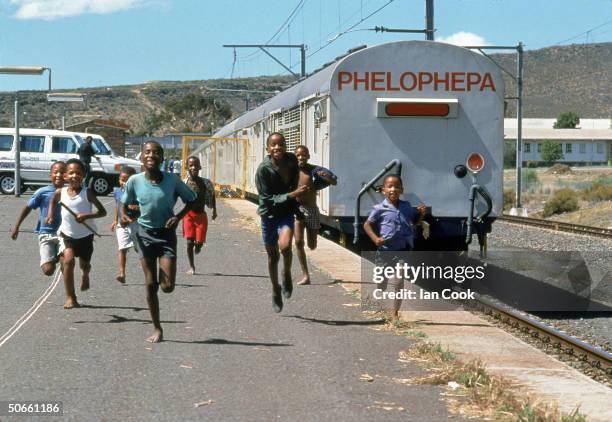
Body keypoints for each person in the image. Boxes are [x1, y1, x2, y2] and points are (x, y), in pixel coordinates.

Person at [121, 141, 197, 343]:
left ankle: (163, 284)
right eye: (147, 152)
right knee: (149, 283)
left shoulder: (172, 180)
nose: (151, 155)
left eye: (156, 153)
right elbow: (124, 204)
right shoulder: (134, 181)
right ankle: (157, 328)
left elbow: (192, 200)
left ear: (162, 159)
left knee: (167, 286)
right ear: (141, 158)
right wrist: (125, 217)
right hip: (144, 234)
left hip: (166, 235)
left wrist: (178, 217)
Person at [255, 132, 307, 313]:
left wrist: (296, 208)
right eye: (273, 145)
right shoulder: (263, 169)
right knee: (273, 257)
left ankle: (286, 274)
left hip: (285, 213)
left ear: (286, 146)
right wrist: (292, 195)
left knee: (285, 247)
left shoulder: (291, 160)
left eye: (281, 144)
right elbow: (267, 199)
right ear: (267, 149)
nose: (277, 147)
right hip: (269, 215)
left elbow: (295, 183)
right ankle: (275, 289)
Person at [363, 174, 426, 321]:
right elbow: (366, 225)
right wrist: (375, 238)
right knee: (382, 283)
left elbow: (414, 222)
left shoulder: (407, 207)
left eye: (397, 186)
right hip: (384, 251)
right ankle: (379, 293)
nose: (393, 189)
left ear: (402, 189)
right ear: (383, 190)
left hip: (402, 250)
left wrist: (421, 215)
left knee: (398, 280)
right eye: (390, 186)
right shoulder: (379, 208)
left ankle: (395, 313)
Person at [46, 158, 107, 309]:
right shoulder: (61, 192)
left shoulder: (88, 193)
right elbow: (53, 200)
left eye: (78, 173)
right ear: (65, 176)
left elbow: (102, 212)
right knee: (68, 261)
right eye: (71, 173)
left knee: (85, 264)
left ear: (84, 175)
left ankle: (85, 274)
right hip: (67, 235)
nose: (74, 176)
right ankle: (70, 297)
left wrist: (86, 216)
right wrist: (50, 215)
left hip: (86, 235)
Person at [10, 161, 67, 276]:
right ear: (50, 175)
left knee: (66, 263)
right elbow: (27, 207)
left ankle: (69, 292)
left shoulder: (69, 192)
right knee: (48, 270)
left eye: (62, 172)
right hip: (46, 233)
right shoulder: (42, 192)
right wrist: (16, 226)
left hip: (64, 233)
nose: (59, 175)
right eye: (56, 172)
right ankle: (53, 258)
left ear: (66, 175)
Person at [293, 145, 338, 285]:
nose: (301, 157)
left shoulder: (314, 170)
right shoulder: (291, 172)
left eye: (304, 155)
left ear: (308, 157)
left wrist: (328, 177)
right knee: (299, 242)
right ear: (295, 156)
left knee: (312, 244)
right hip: (297, 210)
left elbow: (334, 180)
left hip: (311, 210)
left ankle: (313, 240)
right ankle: (306, 275)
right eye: (298, 155)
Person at [183, 156, 217, 275]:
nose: (193, 168)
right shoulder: (185, 182)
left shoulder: (205, 182)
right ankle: (192, 266)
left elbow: (212, 195)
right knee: (189, 242)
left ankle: (198, 246)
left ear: (200, 167)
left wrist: (214, 210)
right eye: (191, 165)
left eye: (196, 165)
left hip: (201, 216)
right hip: (188, 216)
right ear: (186, 167)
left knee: (199, 243)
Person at [111, 166, 139, 284]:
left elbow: (146, 207)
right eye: (122, 180)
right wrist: (115, 220)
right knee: (122, 248)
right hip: (122, 225)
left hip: (137, 223)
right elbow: (117, 206)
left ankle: (149, 269)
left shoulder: (138, 192)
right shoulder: (117, 191)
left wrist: (137, 207)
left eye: (127, 180)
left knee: (141, 249)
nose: (124, 183)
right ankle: (122, 273)